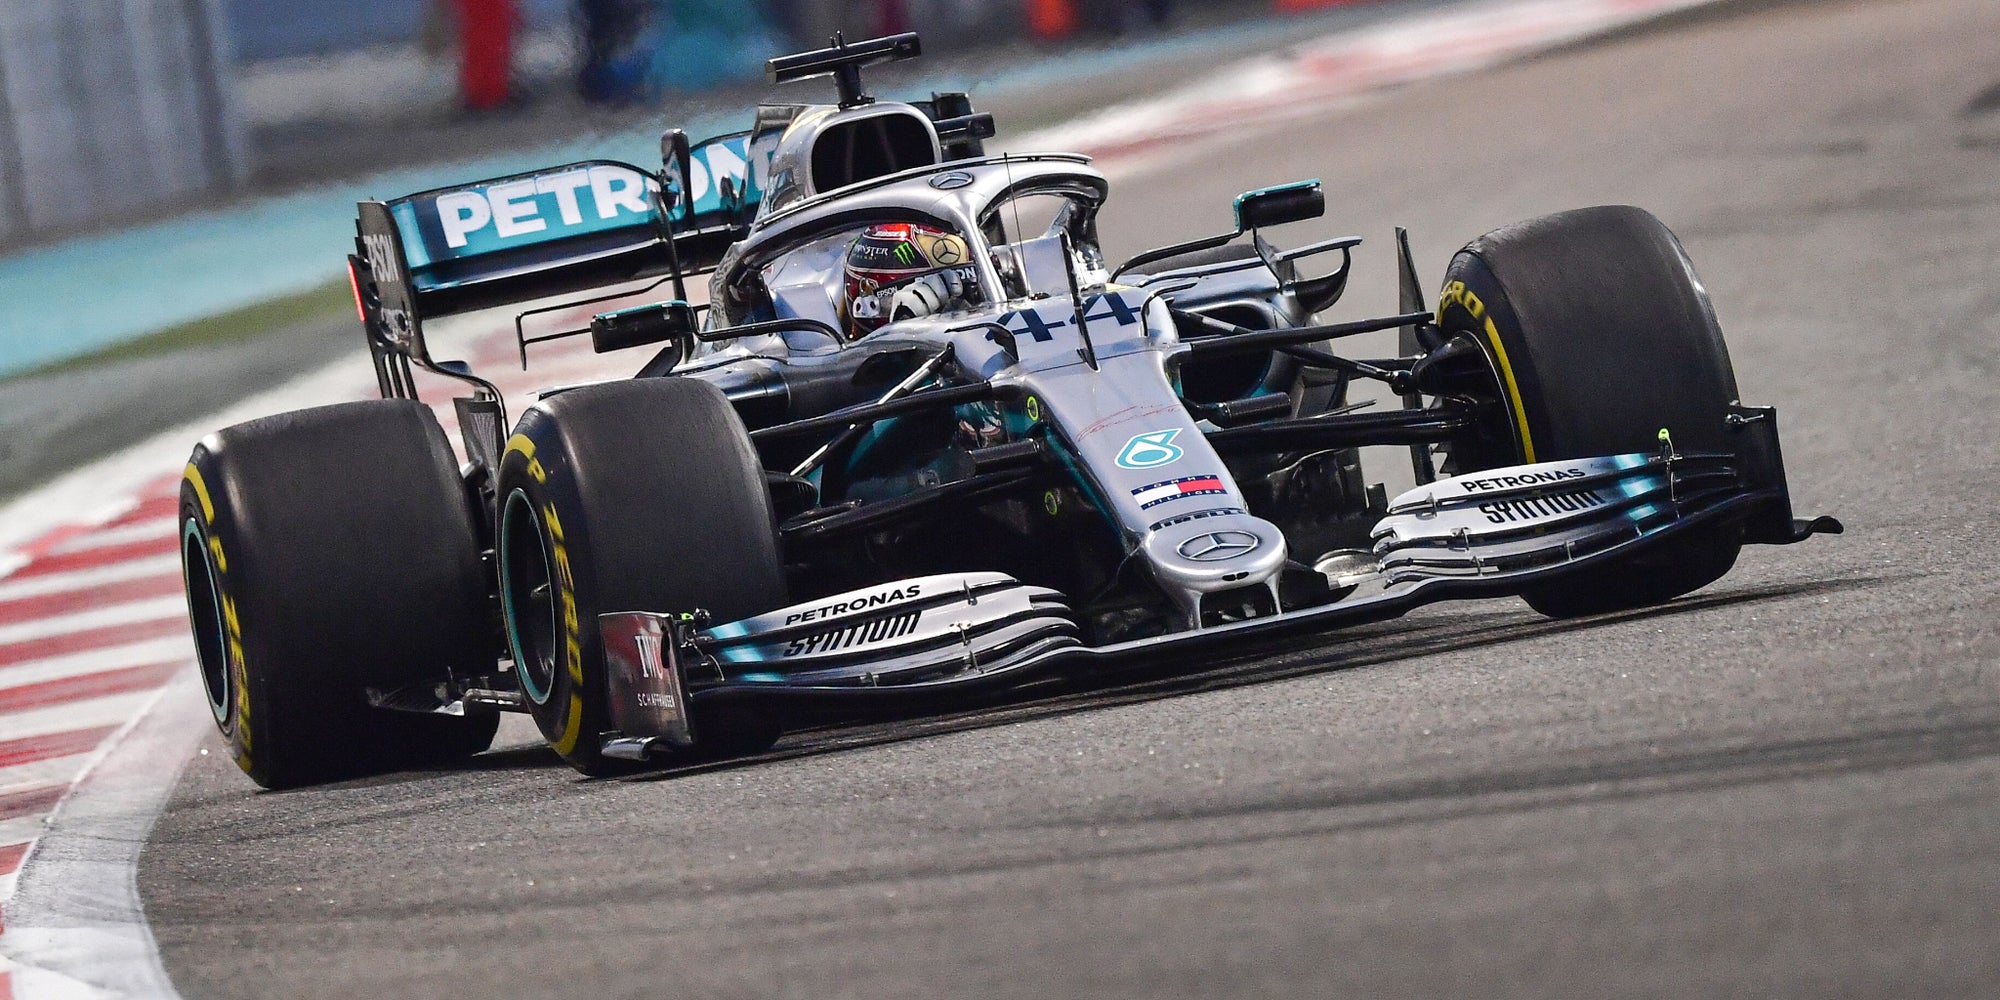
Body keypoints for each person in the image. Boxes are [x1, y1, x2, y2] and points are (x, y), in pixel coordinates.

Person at [841, 223, 985, 340]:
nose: (965, 308)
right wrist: (904, 337)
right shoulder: (847, 369)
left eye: (973, 293)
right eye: (946, 303)